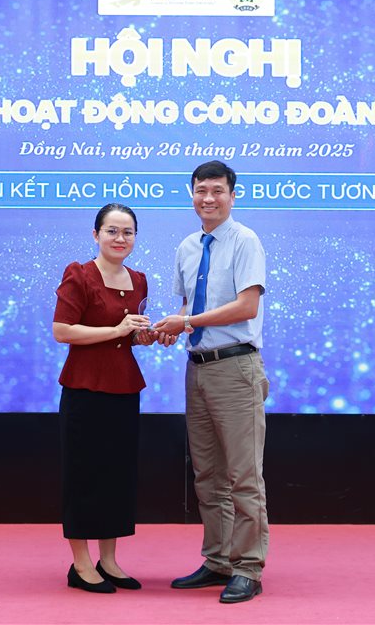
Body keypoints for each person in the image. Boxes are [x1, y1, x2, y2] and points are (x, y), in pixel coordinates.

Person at [153, 161, 270, 604]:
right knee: (208, 474)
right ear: (192, 194)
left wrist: (186, 322)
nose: (209, 198)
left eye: (217, 190)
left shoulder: (245, 241)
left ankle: (248, 567)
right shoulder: (187, 247)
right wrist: (166, 328)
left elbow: (246, 306)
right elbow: (188, 309)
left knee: (243, 475)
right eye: (201, 190)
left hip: (236, 368)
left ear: (232, 195)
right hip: (197, 367)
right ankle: (219, 559)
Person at [52, 203, 177, 594]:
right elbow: (62, 331)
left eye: (128, 232)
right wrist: (116, 330)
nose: (120, 238)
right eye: (112, 231)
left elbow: (128, 336)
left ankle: (108, 560)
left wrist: (146, 335)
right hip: (85, 389)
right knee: (83, 474)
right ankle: (80, 564)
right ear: (96, 235)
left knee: (117, 475)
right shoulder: (79, 274)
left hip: (123, 388)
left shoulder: (138, 280)